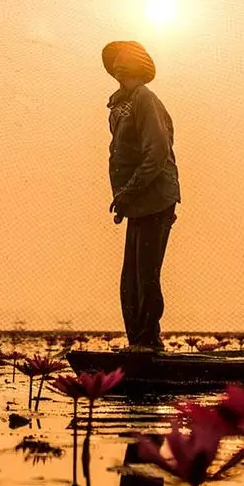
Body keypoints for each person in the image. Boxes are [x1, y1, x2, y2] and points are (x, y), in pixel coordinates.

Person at [102, 40, 181, 352]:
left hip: (156, 197)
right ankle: (138, 341)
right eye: (115, 61)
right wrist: (123, 199)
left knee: (146, 273)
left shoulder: (145, 99)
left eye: (125, 60)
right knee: (130, 279)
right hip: (136, 202)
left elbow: (157, 152)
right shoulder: (122, 105)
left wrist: (129, 191)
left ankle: (148, 342)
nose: (119, 65)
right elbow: (121, 155)